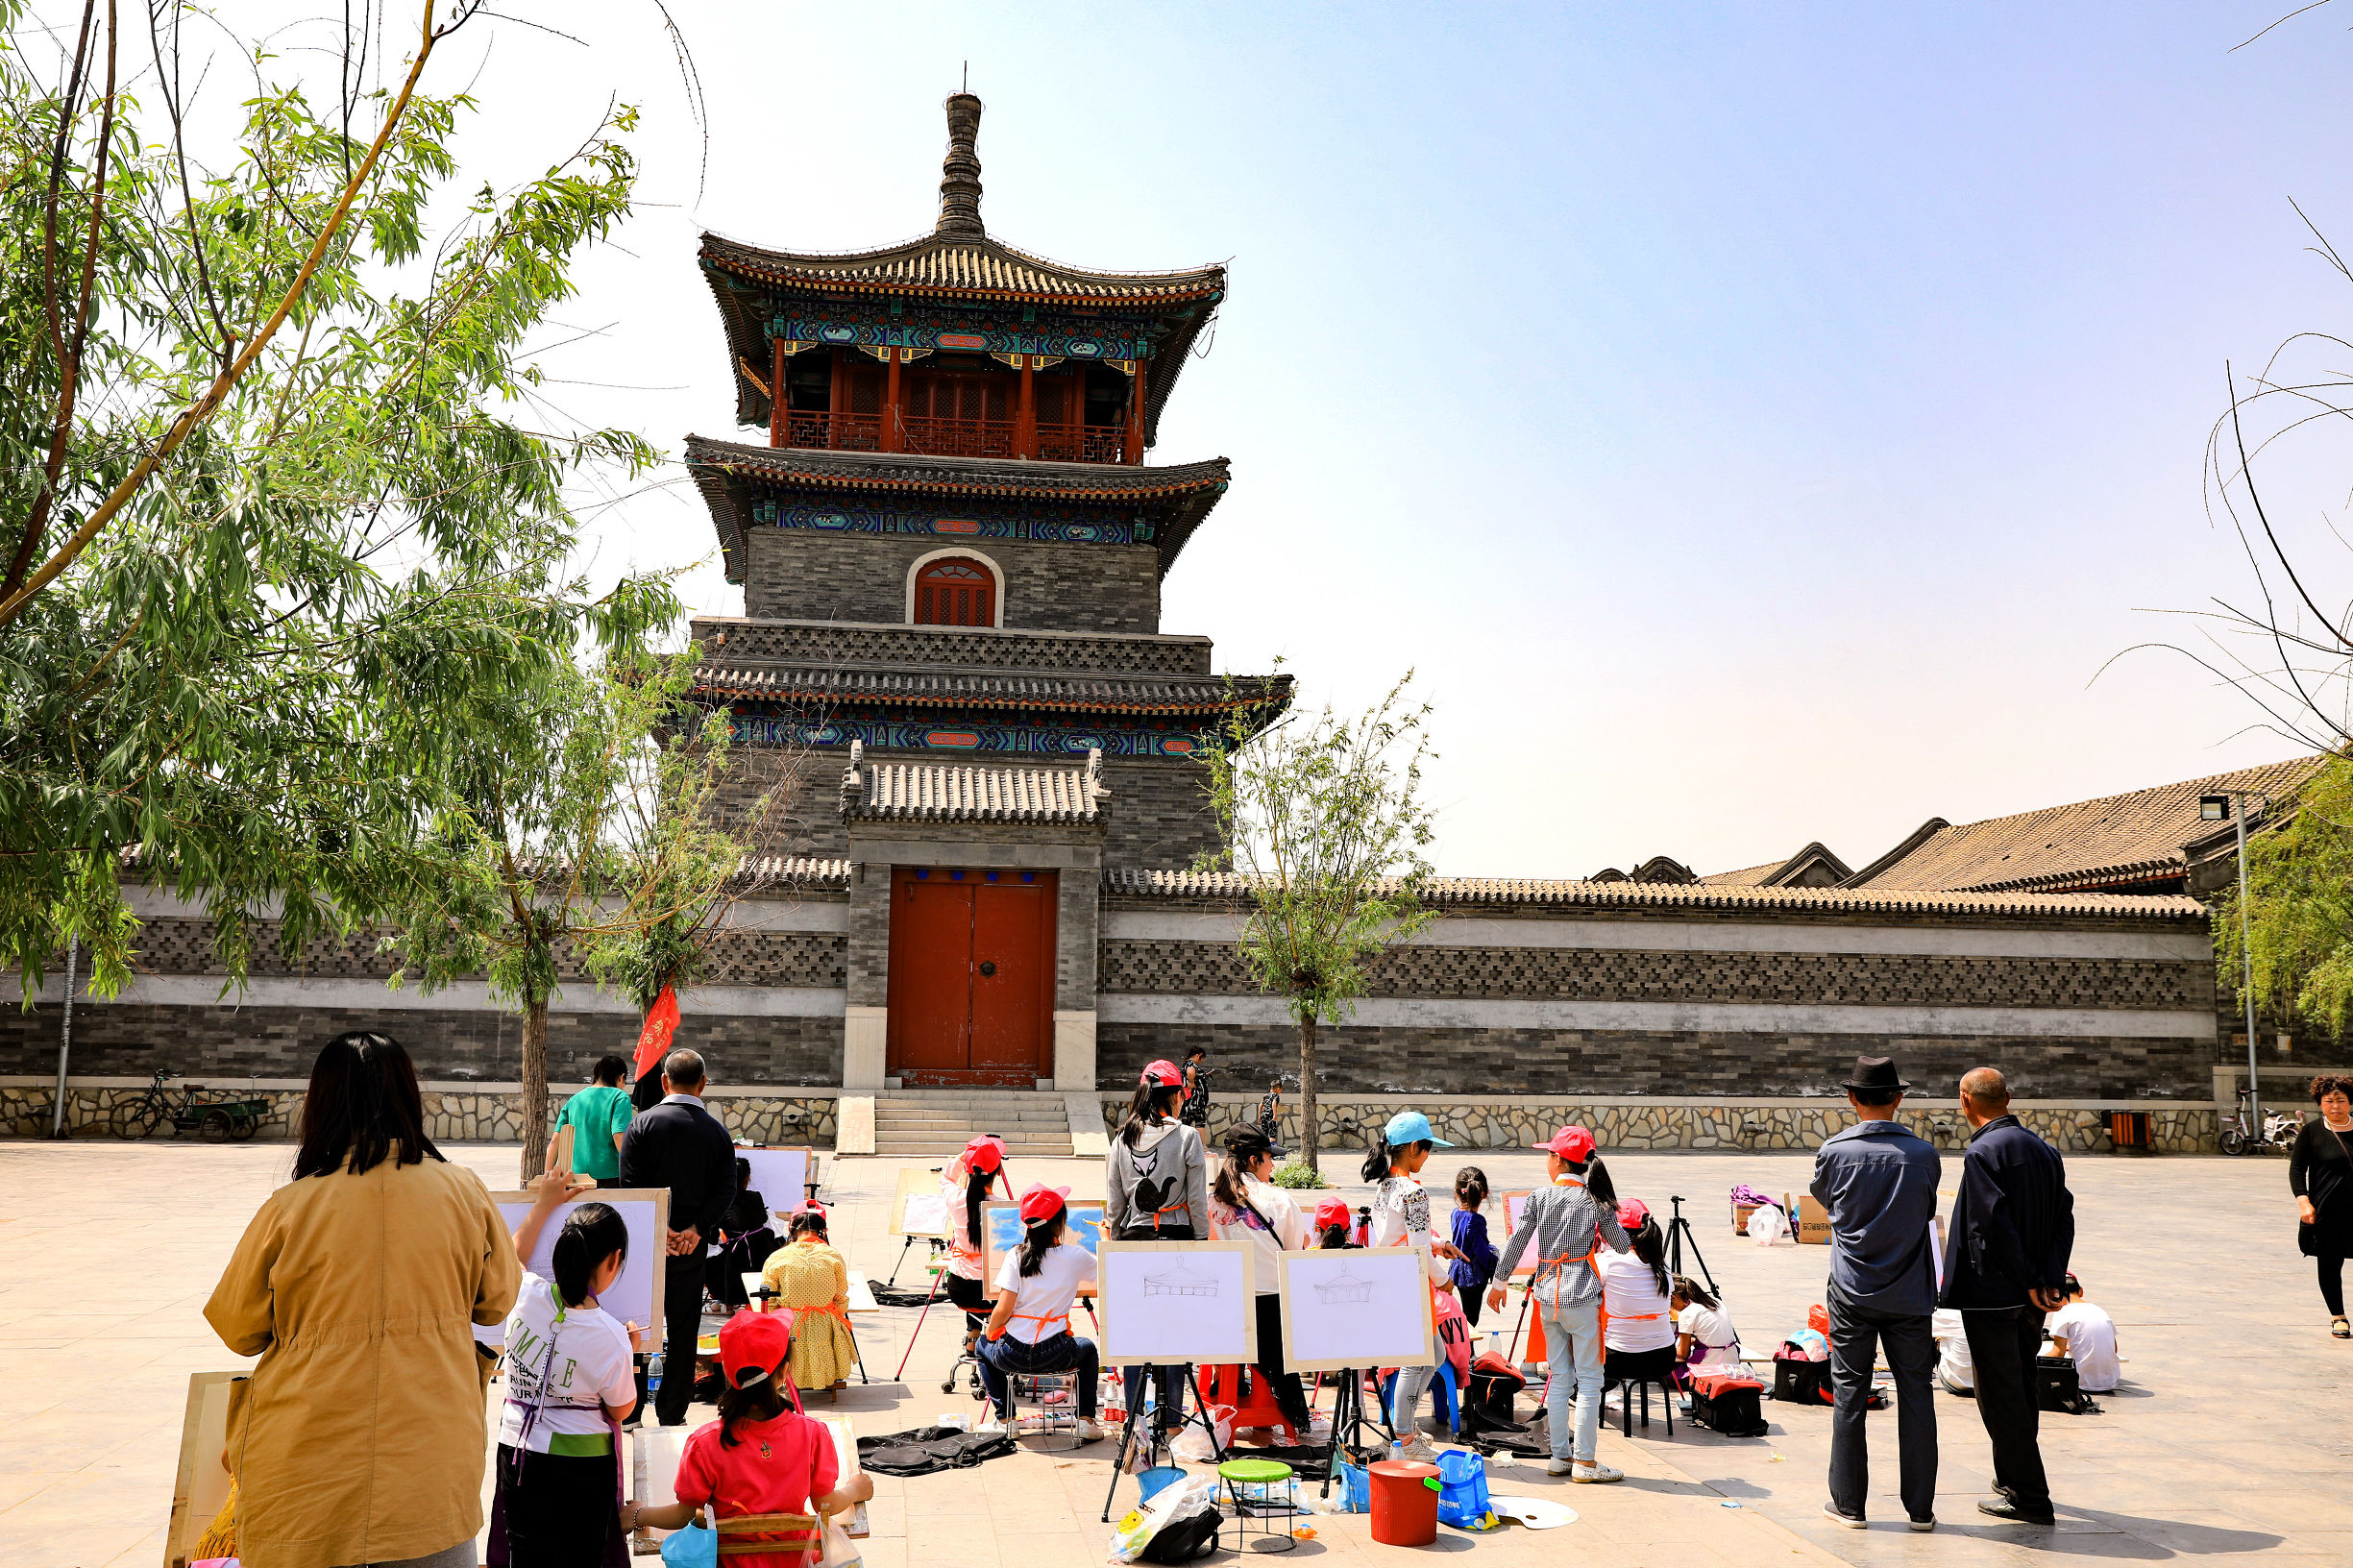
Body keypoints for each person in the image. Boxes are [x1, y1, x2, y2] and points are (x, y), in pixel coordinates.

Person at [205, 1031, 521, 1568]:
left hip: (305, 1473)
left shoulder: (290, 1206)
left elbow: (239, 1328)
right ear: (407, 1098)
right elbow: (497, 1301)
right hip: (429, 1470)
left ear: (321, 1103)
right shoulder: (464, 1191)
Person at [625, 1310, 875, 1565]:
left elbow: (684, 1514)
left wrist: (638, 1515)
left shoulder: (705, 1442)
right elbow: (827, 1504)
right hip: (794, 1561)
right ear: (784, 1372)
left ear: (729, 1375)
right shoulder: (813, 1433)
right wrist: (854, 1489)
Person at [1809, 1055, 1942, 1532]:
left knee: (1850, 1394)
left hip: (1852, 1290)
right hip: (1909, 1292)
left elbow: (1826, 1200)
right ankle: (1921, 1509)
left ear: (1851, 1098)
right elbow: (1926, 1209)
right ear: (1899, 1098)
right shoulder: (1924, 1155)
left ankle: (1850, 1505)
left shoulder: (1834, 1152)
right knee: (1917, 1394)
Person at [1942, 1065, 2074, 1528]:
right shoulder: (2044, 1150)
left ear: (1965, 1101)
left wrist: (2026, 1278)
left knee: (2001, 1395)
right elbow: (2064, 1217)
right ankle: (2012, 1479)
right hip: (2031, 1296)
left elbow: (1992, 1226)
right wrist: (2049, 1277)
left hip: (1996, 1294)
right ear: (2008, 1097)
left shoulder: (1982, 1153)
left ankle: (2030, 1497)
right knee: (2018, 1385)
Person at [497, 1171, 642, 1566]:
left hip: (517, 1451)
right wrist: (631, 1357)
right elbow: (620, 1410)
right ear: (613, 1261)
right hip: (579, 1464)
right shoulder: (611, 1336)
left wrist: (545, 1202)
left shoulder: (524, 1293)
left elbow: (511, 1259)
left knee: (526, 1557)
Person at [1485, 1123, 1628, 1482]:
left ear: (1559, 1159)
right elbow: (1622, 1245)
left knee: (1560, 1378)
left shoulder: (1539, 1197)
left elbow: (1517, 1243)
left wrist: (1499, 1284)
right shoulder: (1597, 1201)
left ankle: (1560, 1457)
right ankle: (1586, 1462)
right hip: (1582, 1295)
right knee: (1591, 1380)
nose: (1547, 1159)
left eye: (1549, 1153)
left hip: (1547, 1296)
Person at [620, 1047, 737, 1425]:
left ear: (664, 1082)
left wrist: (660, 1229)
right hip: (690, 1247)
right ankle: (673, 1412)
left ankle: (631, 1409)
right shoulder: (717, 1133)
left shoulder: (642, 1125)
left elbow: (630, 1187)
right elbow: (726, 1189)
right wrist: (696, 1229)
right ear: (703, 1084)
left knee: (638, 1325)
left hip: (645, 1246)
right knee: (684, 1329)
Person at [1106, 1059, 1208, 1431]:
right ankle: (1171, 1420)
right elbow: (1197, 1200)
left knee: (1136, 1332)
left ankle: (1133, 1418)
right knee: (1175, 1331)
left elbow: (1115, 1203)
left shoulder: (1121, 1140)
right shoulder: (1187, 1137)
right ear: (1176, 1095)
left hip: (1134, 1241)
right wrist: (1202, 1241)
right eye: (1183, 1092)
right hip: (1178, 1240)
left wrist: (1117, 1241)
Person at [1364, 1110, 1468, 1460]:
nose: (1428, 1157)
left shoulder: (1386, 1186)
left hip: (1392, 1280)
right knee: (1417, 1359)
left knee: (1434, 1354)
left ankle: (1401, 1428)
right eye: (1427, 1150)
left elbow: (1399, 1238)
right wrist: (1446, 1280)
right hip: (1409, 1286)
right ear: (1412, 1148)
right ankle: (1404, 1439)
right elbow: (1418, 1249)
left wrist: (1437, 1247)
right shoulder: (1414, 1193)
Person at [975, 1184, 1106, 1440]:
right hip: (1057, 1353)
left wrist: (990, 1332)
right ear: (1060, 1223)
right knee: (1088, 1349)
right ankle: (1086, 1420)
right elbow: (1111, 1266)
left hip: (1012, 1353)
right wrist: (1105, 1237)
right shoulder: (1075, 1256)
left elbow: (1003, 1309)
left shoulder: (1016, 1255)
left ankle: (1006, 1418)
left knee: (982, 1346)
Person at [1206, 1126, 1313, 1433]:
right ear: (1254, 1160)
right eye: (1269, 1158)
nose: (1273, 1165)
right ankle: (1295, 1419)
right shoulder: (1279, 1199)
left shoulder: (1213, 1201)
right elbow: (1294, 1255)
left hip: (1225, 1312)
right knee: (1285, 1348)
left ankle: (1230, 1381)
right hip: (1270, 1312)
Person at [759, 1204, 858, 1397]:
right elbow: (840, 1295)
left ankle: (787, 1381)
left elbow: (769, 1300)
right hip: (824, 1322)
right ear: (823, 1231)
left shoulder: (777, 1257)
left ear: (792, 1229)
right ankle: (825, 1377)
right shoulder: (833, 1255)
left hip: (789, 1324)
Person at [2291, 1072, 2353, 1338]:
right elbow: (2296, 1170)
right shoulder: (2311, 1132)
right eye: (2329, 1101)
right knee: (2329, 1263)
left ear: (2350, 1102)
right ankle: (2338, 1317)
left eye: (2341, 1100)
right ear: (2320, 1103)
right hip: (2327, 1210)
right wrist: (2304, 1202)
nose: (2335, 1106)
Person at [1599, 1199, 1678, 1405]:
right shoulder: (1662, 1264)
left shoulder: (1608, 1261)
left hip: (1620, 1360)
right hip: (1663, 1359)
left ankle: (1579, 1393)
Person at [941, 1133, 1010, 1345]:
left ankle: (973, 1334)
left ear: (968, 1170)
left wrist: (964, 1156)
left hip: (959, 1288)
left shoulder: (955, 1199)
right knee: (1002, 1280)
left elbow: (945, 1178)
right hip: (994, 1291)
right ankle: (996, 1336)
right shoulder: (1004, 1209)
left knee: (976, 1278)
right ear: (998, 1172)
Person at [549, 1055, 634, 1185]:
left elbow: (555, 1140)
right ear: (621, 1077)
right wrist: (633, 1169)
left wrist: (547, 1176)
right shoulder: (620, 1097)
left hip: (575, 1177)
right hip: (608, 1176)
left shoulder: (575, 1099)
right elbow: (619, 1136)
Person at [708, 1158, 781, 1308]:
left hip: (732, 1254)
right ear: (748, 1177)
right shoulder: (755, 1197)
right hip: (760, 1251)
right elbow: (762, 1218)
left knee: (709, 1257)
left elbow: (714, 1231)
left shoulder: (722, 1200)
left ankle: (726, 1303)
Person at [2045, 1274, 2119, 1393]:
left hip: (2080, 1382)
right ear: (2081, 1291)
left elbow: (2058, 1353)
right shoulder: (2100, 1311)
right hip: (2110, 1381)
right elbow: (2113, 1349)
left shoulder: (2062, 1312)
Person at [1449, 1167, 1500, 1327]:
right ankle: (1467, 1351)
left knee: (1466, 1314)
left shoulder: (1455, 1213)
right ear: (1484, 1193)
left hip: (1457, 1270)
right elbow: (1481, 1253)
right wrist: (1496, 1263)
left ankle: (1465, 1349)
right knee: (1471, 1319)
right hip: (1473, 1274)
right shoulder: (1476, 1220)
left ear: (1457, 1193)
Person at [1671, 1276, 1742, 1381]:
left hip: (1708, 1370)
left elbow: (1683, 1354)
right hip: (1731, 1364)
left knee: (1669, 1373)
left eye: (1671, 1304)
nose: (1672, 1308)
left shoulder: (1687, 1313)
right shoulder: (1716, 1302)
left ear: (1674, 1298)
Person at [1930, 1309, 1975, 1395]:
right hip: (1984, 1385)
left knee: (1932, 1335)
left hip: (1955, 1383)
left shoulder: (1948, 1314)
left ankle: (1926, 1374)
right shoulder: (1990, 1316)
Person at [1179, 1045, 1212, 1129]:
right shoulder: (1191, 1063)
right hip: (1195, 1101)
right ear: (1198, 1055)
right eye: (1201, 1058)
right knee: (1199, 1123)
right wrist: (1191, 1083)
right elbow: (1190, 1071)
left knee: (1186, 1124)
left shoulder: (1186, 1064)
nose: (1200, 1061)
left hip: (1191, 1102)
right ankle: (1201, 1142)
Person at [1258, 1078, 1284, 1144]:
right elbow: (1273, 1103)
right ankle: (1272, 1146)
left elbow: (1260, 1105)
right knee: (1272, 1132)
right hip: (1270, 1115)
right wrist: (1275, 1114)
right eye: (1281, 1089)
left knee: (1264, 1132)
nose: (1281, 1090)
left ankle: (1263, 1147)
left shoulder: (1266, 1095)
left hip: (1263, 1115)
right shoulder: (1275, 1096)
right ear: (1278, 1088)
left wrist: (1259, 1116)